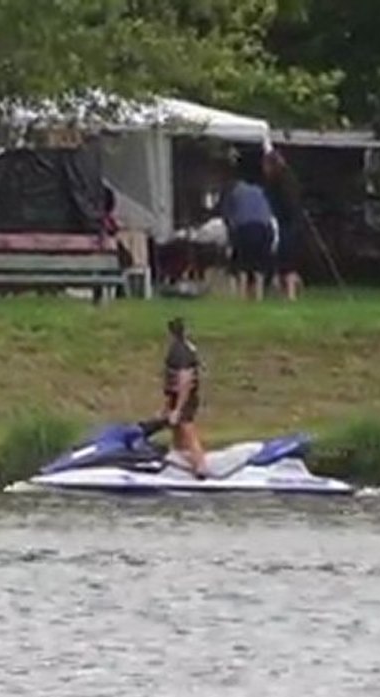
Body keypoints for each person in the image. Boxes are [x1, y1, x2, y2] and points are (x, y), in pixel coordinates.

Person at [218, 168, 277, 301]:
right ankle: (259, 296)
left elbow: (227, 217)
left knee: (242, 264)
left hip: (245, 228)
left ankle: (242, 296)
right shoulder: (259, 190)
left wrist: (231, 239)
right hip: (265, 228)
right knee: (259, 265)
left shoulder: (233, 193)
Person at [161, 317, 208, 478]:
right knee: (176, 429)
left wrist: (178, 408)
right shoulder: (183, 347)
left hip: (185, 398)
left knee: (187, 430)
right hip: (177, 397)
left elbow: (185, 380)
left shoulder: (180, 351)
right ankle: (180, 458)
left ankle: (200, 466)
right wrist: (168, 407)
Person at [263, 150, 306, 301]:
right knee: (289, 261)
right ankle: (290, 292)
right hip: (294, 224)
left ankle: (289, 293)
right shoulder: (291, 180)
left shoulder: (277, 184)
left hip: (285, 224)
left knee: (283, 261)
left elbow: (280, 205)